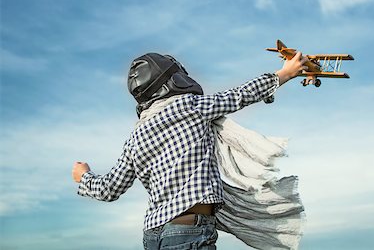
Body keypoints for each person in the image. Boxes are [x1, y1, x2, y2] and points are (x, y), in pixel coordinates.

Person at [72, 51, 309, 250]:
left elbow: (110, 189)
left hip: (153, 237)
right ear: (171, 80)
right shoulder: (188, 107)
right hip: (189, 231)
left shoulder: (136, 137)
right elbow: (239, 96)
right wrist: (283, 74)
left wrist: (84, 176)